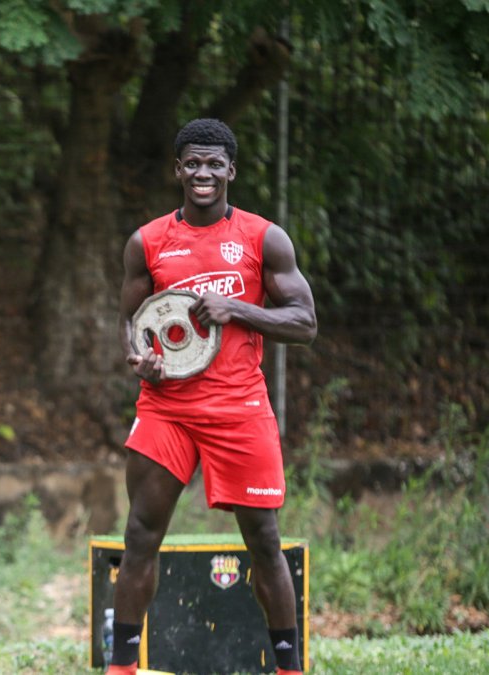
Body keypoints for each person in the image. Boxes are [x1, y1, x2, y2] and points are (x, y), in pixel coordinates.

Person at [110, 118, 316, 675]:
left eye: (214, 164)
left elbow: (305, 322)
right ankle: (121, 667)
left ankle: (289, 669)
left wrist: (237, 309)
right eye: (193, 163)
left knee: (264, 540)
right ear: (178, 170)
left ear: (231, 171)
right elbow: (130, 320)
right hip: (167, 408)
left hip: (238, 406)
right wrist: (140, 359)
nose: (204, 173)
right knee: (140, 534)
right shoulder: (148, 241)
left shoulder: (263, 238)